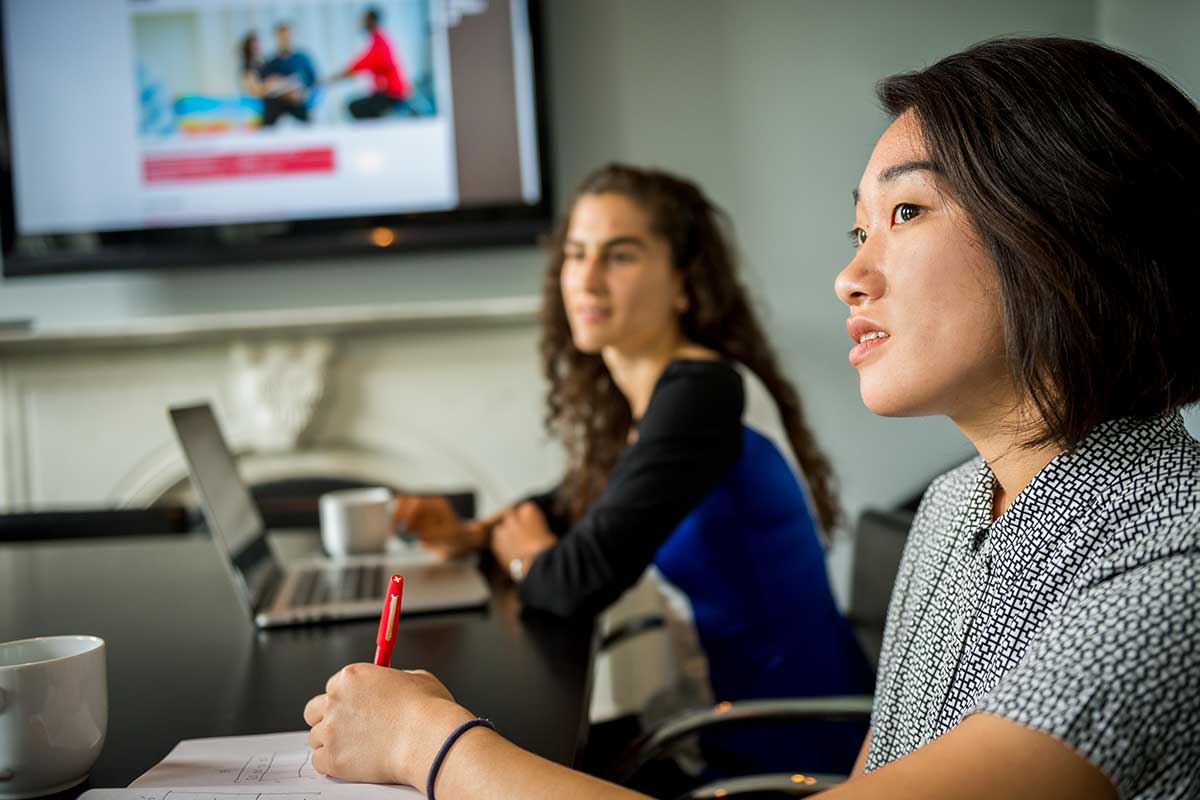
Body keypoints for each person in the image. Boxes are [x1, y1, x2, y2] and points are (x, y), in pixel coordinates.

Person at [304, 37, 1200, 799]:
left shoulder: (1172, 581)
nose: (850, 278)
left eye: (907, 211)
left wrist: (427, 743)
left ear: (1070, 239)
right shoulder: (960, 505)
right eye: (860, 232)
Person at [402, 163, 869, 778]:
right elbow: (571, 504)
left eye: (619, 256)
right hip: (721, 722)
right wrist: (475, 532)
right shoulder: (664, 399)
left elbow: (574, 584)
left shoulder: (700, 394)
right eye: (576, 254)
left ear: (684, 282)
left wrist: (525, 558)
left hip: (780, 748)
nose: (587, 280)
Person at [327, 7, 412, 119]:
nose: (362, 23)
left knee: (354, 107)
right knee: (360, 105)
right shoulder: (378, 41)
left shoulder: (379, 45)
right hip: (388, 94)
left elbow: (358, 66)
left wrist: (333, 79)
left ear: (373, 21)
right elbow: (359, 64)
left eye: (365, 20)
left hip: (393, 95)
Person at [259, 22, 317, 126]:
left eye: (287, 36)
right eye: (281, 37)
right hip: (278, 101)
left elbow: (313, 81)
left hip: (298, 99)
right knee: (268, 112)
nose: (285, 39)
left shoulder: (302, 58)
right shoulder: (271, 62)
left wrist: (303, 93)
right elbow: (266, 85)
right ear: (277, 37)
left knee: (307, 118)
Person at [238, 33, 266, 97]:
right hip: (255, 101)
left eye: (258, 46)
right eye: (254, 47)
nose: (258, 49)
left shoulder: (262, 64)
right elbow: (254, 90)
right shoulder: (247, 66)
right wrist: (269, 85)